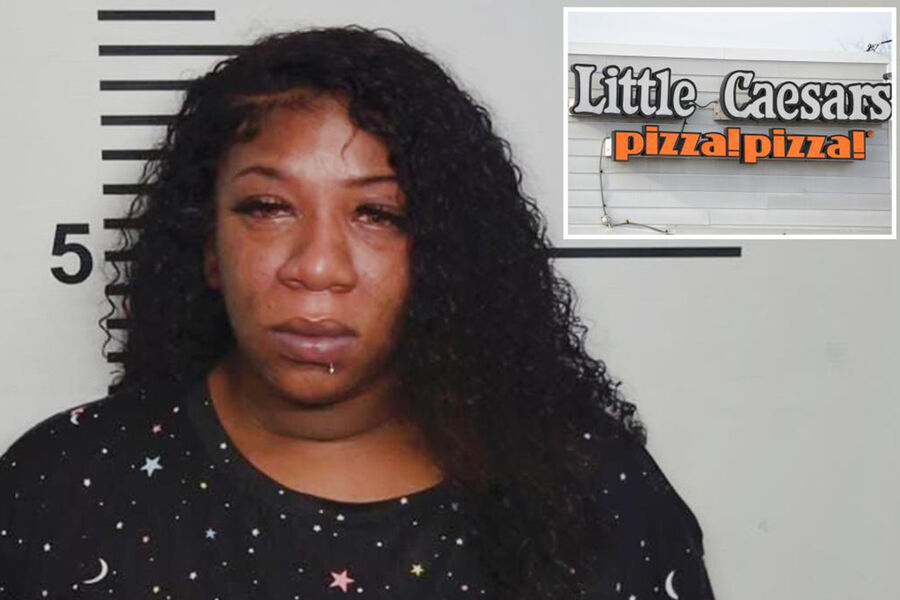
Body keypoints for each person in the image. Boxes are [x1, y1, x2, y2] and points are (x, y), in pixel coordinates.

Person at [0, 26, 715, 599]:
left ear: (442, 254)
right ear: (208, 244)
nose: (317, 267)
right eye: (267, 207)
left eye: (377, 214)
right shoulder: (62, 488)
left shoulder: (591, 494)